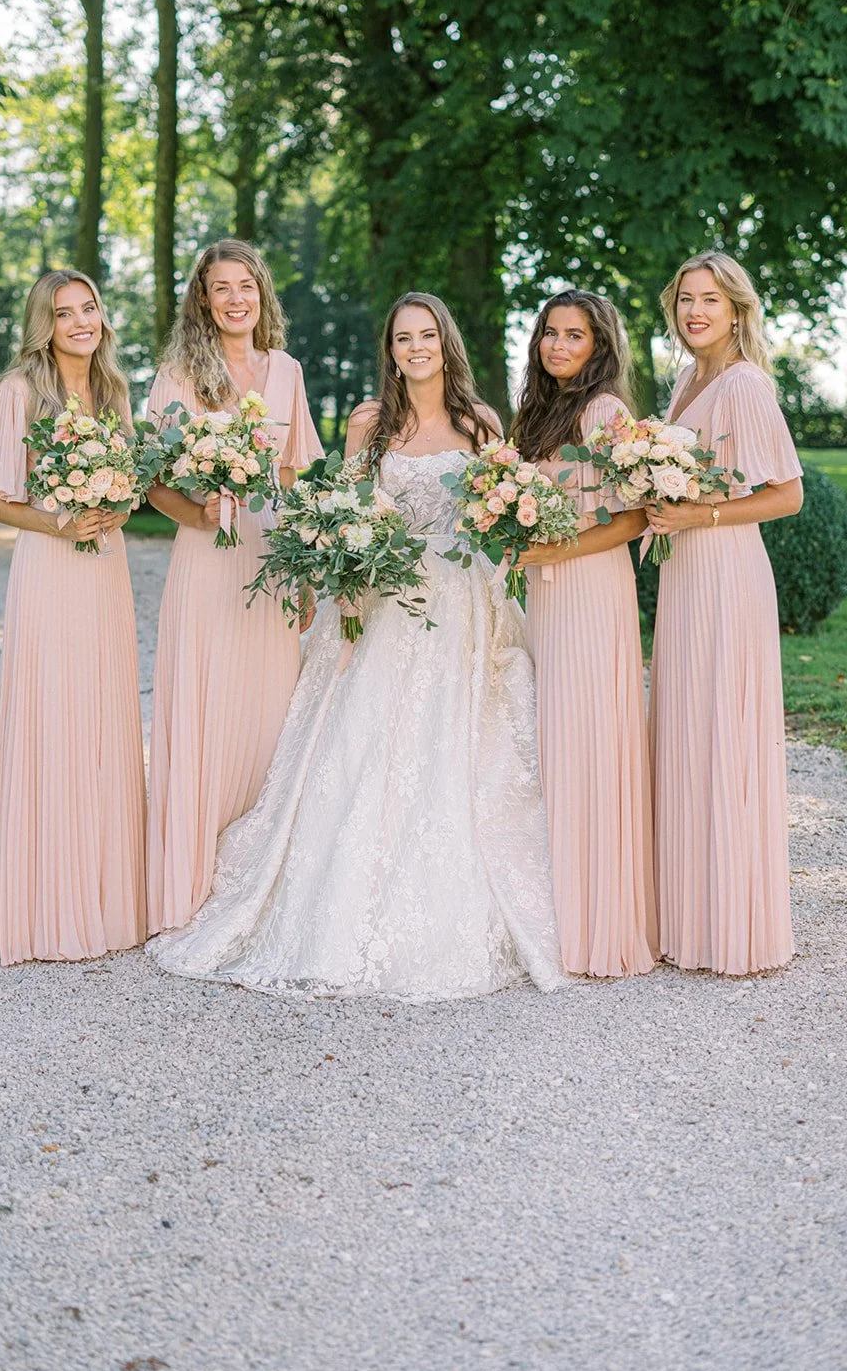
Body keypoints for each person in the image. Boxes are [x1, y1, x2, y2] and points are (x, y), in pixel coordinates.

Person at [147, 291, 565, 1000]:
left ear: (445, 341)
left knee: (454, 748)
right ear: (391, 351)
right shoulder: (370, 423)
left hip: (460, 605)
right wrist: (343, 573)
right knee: (362, 742)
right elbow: (345, 507)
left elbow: (502, 503)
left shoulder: (480, 422)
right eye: (402, 338)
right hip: (384, 596)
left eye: (427, 334)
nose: (415, 348)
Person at [145, 239, 323, 935]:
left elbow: (301, 474)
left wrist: (307, 565)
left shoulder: (286, 371)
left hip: (271, 554)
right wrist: (195, 510)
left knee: (270, 710)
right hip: (207, 556)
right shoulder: (179, 372)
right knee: (205, 704)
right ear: (203, 300)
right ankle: (188, 885)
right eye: (221, 288)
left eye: (245, 284)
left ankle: (254, 884)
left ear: (262, 293)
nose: (235, 298)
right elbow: (154, 477)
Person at [0, 270, 146, 964]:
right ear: (45, 323)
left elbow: (131, 487)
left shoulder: (114, 393)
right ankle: (46, 909)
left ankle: (107, 905)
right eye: (65, 312)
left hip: (107, 570)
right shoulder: (20, 391)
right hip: (50, 568)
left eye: (89, 308)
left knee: (103, 717)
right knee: (54, 719)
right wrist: (58, 522)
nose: (81, 322)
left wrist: (114, 507)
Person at [647, 250, 803, 974]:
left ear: (737, 309)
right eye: (685, 300)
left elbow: (787, 495)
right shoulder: (686, 379)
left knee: (723, 732)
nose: (695, 312)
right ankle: (691, 915)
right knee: (686, 730)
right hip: (684, 575)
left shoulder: (742, 385)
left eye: (710, 300)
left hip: (725, 574)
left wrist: (700, 515)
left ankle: (737, 925)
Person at [513, 289, 656, 977]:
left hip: (592, 593)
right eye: (550, 333)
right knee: (553, 741)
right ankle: (560, 911)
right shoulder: (539, 412)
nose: (559, 345)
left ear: (599, 346)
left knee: (590, 741)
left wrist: (557, 549)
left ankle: (603, 922)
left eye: (574, 335)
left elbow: (634, 517)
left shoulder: (605, 412)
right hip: (547, 594)